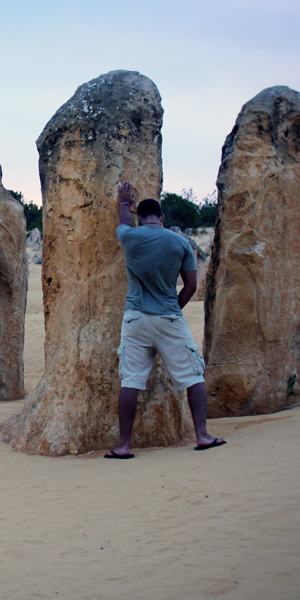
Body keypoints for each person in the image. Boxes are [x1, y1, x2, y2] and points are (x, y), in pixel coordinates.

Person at [105, 181, 225, 459]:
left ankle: (123, 445)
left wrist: (124, 202)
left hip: (135, 319)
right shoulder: (181, 243)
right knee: (193, 376)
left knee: (131, 381)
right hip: (168, 317)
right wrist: (175, 308)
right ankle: (203, 436)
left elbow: (122, 223)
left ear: (139, 217)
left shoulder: (130, 237)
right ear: (162, 218)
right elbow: (192, 286)